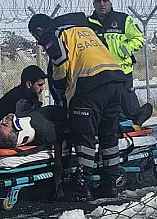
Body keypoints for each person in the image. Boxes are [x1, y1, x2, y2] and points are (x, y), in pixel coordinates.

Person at [28, 12, 127, 201]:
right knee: (108, 135)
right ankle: (110, 185)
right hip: (115, 78)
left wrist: (60, 86)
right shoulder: (83, 28)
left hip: (89, 84)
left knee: (84, 137)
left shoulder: (52, 33)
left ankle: (81, 188)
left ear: (38, 30)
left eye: (36, 37)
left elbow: (60, 63)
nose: (38, 41)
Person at [88, 0, 153, 126]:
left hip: (122, 70)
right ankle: (117, 125)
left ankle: (136, 119)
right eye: (98, 1)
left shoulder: (123, 19)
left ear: (111, 2)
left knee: (129, 103)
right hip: (100, 71)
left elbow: (139, 39)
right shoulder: (88, 23)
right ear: (94, 4)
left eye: (105, 1)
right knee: (108, 104)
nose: (102, 4)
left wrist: (125, 49)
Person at [0, 65, 47, 146]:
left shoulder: (24, 94)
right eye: (39, 85)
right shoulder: (19, 100)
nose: (42, 89)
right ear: (29, 84)